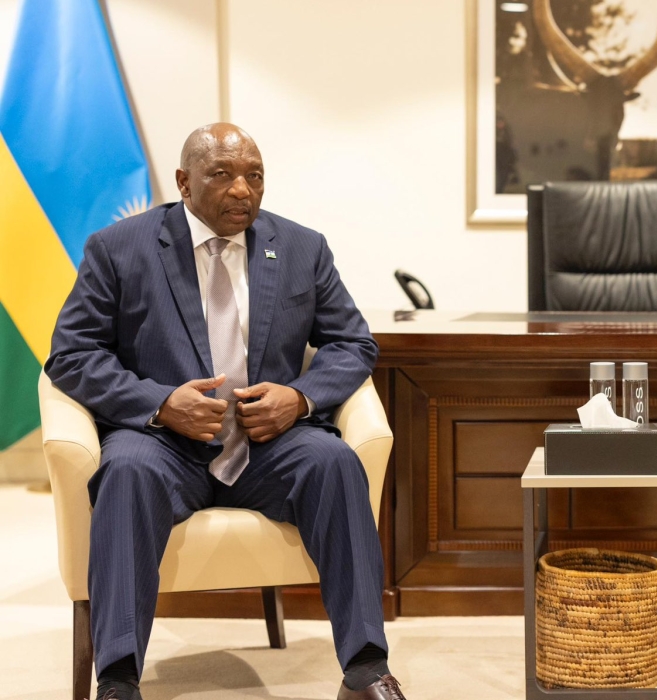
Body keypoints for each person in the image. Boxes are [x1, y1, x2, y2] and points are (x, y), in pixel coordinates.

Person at [45, 123, 406, 700]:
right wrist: (160, 404)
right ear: (184, 182)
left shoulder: (300, 247)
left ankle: (365, 669)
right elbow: (71, 354)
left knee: (335, 461)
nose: (243, 189)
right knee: (126, 472)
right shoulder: (118, 248)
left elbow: (353, 344)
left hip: (269, 445)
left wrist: (300, 398)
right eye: (223, 174)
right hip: (162, 443)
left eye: (255, 176)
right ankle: (117, 680)